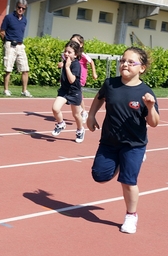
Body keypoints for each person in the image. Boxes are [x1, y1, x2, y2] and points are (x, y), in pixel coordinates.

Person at [86, 47, 160, 234]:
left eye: (130, 62)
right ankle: (120, 163)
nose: (125, 64)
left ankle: (131, 215)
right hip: (109, 141)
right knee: (99, 176)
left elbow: (154, 123)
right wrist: (91, 115)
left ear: (142, 68)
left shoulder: (146, 92)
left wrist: (150, 107)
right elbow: (99, 97)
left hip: (134, 144)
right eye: (123, 61)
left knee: (128, 181)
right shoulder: (110, 84)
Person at [58, 34, 98, 124]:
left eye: (75, 42)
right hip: (70, 76)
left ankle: (83, 111)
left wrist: (94, 73)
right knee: (79, 94)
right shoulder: (68, 53)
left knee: (78, 93)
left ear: (81, 44)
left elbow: (91, 62)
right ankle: (82, 111)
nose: (73, 43)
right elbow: (65, 63)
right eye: (71, 41)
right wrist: (61, 65)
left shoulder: (82, 55)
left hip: (80, 77)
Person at [51, 40, 85, 143]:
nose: (66, 54)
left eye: (69, 52)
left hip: (74, 92)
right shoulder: (66, 61)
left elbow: (72, 80)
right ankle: (61, 123)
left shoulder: (76, 65)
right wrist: (62, 64)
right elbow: (62, 63)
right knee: (55, 108)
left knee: (76, 115)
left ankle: (80, 130)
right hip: (64, 91)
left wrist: (66, 67)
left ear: (75, 54)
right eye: (65, 51)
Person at [0, 0, 32, 97]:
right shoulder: (8, 17)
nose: (21, 10)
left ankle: (24, 91)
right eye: (19, 7)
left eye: (23, 8)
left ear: (25, 9)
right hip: (10, 45)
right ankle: (6, 90)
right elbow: (2, 32)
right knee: (8, 69)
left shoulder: (25, 20)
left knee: (25, 69)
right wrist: (6, 42)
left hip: (20, 45)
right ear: (16, 7)